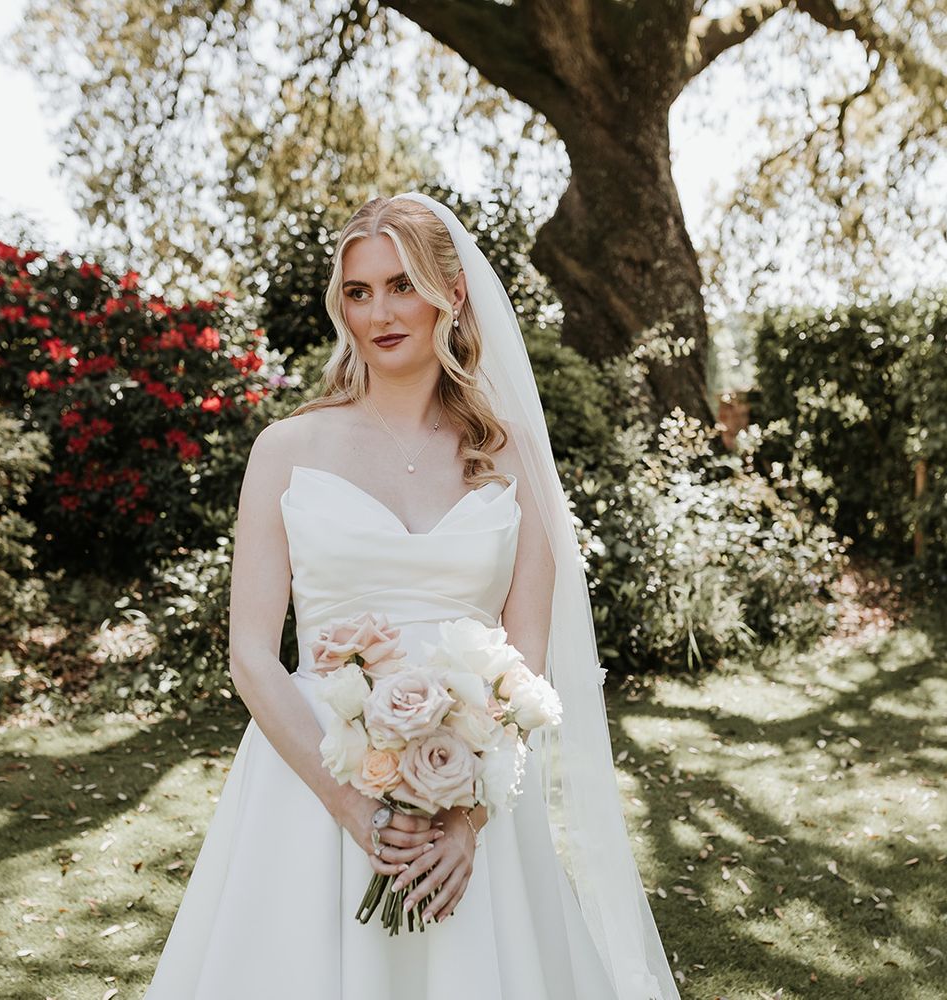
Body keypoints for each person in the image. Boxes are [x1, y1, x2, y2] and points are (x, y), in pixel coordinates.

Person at [143, 192, 682, 999]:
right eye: (357, 292)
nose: (379, 312)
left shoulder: (511, 459)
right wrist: (355, 810)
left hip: (470, 798)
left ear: (451, 293)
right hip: (311, 786)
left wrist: (465, 820)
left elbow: (525, 663)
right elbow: (252, 655)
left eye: (401, 285)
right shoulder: (287, 448)